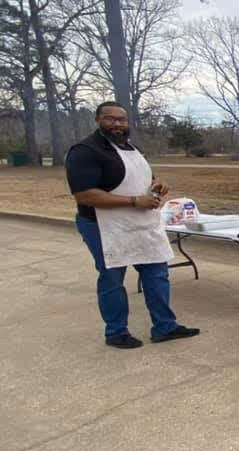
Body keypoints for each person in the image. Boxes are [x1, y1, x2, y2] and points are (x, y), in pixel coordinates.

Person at [66, 101, 200, 349]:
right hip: (102, 225)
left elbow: (143, 177)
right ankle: (116, 332)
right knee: (112, 278)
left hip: (141, 223)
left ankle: (165, 326)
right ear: (98, 120)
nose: (117, 124)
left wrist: (157, 183)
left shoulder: (132, 148)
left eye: (122, 119)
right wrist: (134, 201)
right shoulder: (84, 151)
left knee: (157, 274)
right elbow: (84, 195)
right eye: (110, 119)